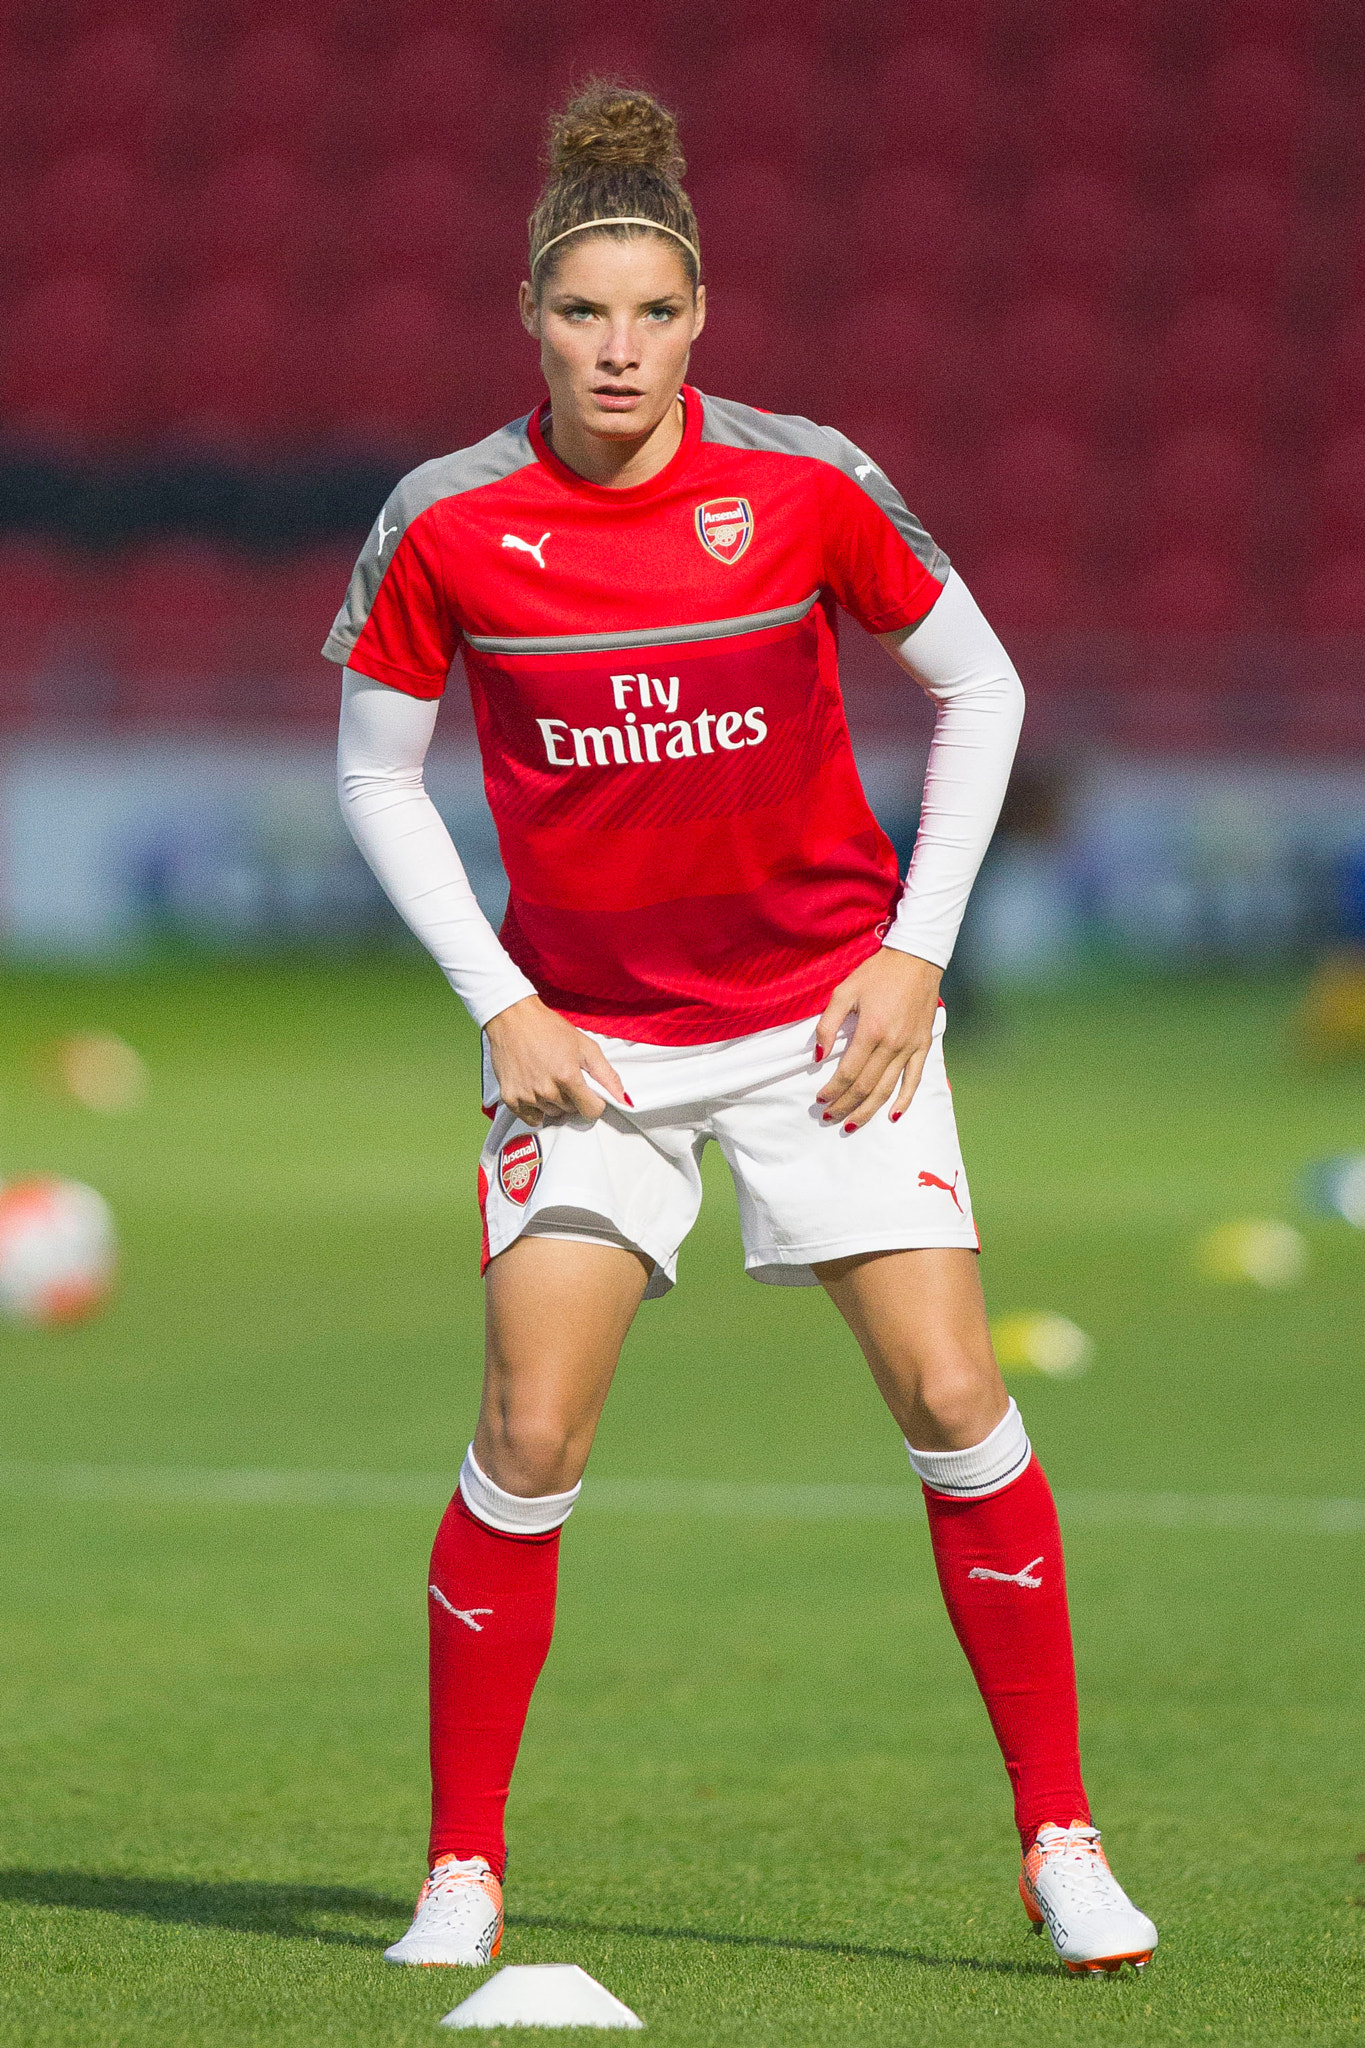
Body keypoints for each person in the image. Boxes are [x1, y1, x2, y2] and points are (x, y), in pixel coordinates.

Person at [327, 82, 1157, 1978]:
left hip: (824, 1029)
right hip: (591, 1053)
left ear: (703, 319)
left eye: (652, 313)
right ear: (526, 320)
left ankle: (1059, 1843)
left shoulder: (795, 481)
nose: (616, 350)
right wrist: (505, 1002)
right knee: (528, 1433)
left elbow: (984, 687)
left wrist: (916, 957)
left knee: (953, 1401)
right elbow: (377, 781)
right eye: (579, 314)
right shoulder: (448, 522)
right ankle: (461, 1871)